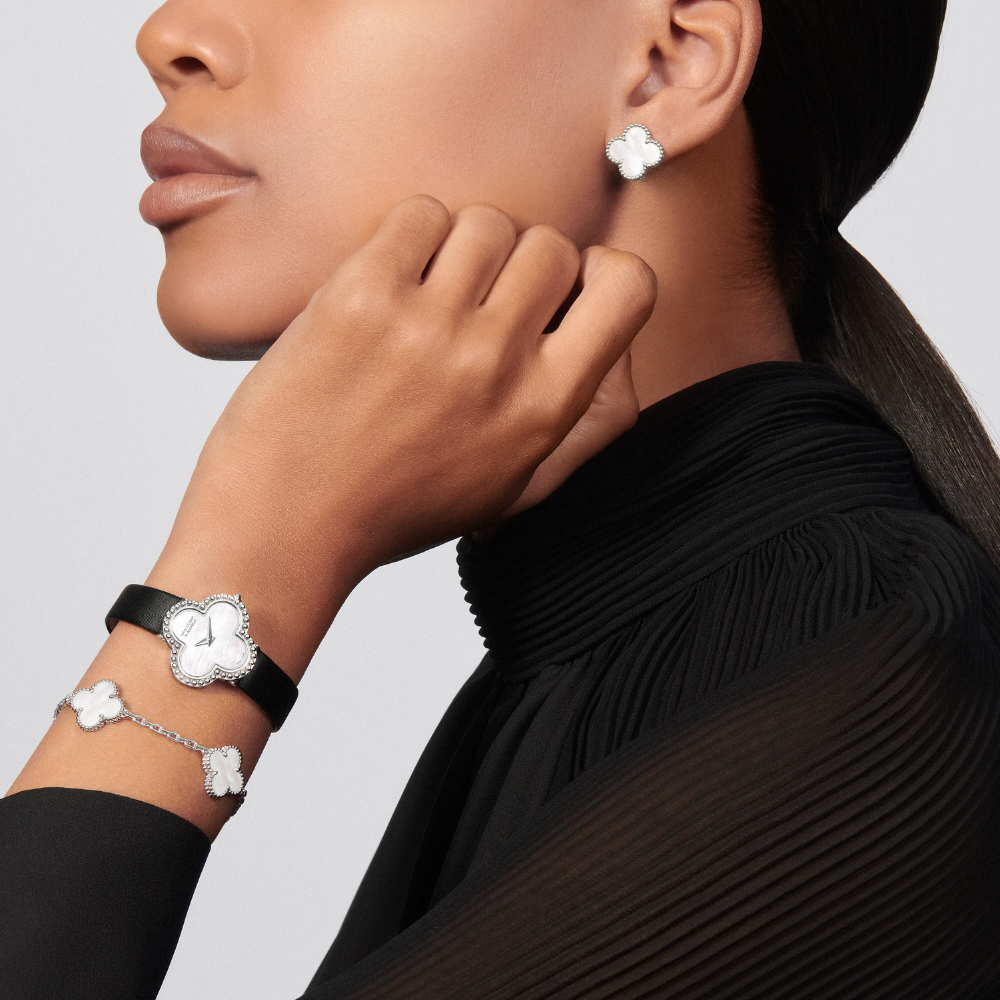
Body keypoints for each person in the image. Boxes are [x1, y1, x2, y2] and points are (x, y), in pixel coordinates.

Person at [3, 0, 999, 996]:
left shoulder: (871, 695)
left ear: (670, 63)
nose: (169, 35)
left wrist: (252, 554)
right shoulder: (620, 667)